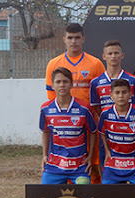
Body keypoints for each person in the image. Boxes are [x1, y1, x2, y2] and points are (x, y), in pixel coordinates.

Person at [44, 23, 105, 183]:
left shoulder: (95, 64)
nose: (73, 41)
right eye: (70, 38)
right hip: (65, 126)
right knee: (64, 164)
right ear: (64, 39)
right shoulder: (54, 64)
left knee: (92, 165)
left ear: (83, 39)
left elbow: (102, 94)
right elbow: (51, 98)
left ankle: (93, 196)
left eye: (77, 38)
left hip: (89, 124)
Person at [90, 40, 135, 168]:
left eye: (116, 53)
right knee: (106, 164)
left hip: (130, 133)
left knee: (133, 165)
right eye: (110, 53)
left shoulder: (132, 80)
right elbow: (96, 107)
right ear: (104, 56)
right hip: (108, 132)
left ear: (122, 55)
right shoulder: (96, 82)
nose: (113, 56)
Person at [40, 67, 96, 184]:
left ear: (71, 84)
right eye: (58, 82)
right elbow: (45, 131)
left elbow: (92, 131)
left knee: (84, 194)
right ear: (52, 85)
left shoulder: (84, 108)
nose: (62, 85)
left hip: (79, 166)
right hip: (54, 166)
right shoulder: (45, 108)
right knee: (45, 193)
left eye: (65, 81)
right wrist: (44, 155)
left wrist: (90, 156)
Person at [98, 79, 135, 184]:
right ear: (111, 96)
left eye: (124, 92)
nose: (121, 96)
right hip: (114, 160)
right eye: (117, 93)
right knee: (106, 190)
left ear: (130, 95)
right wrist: (107, 150)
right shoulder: (105, 113)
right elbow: (102, 132)